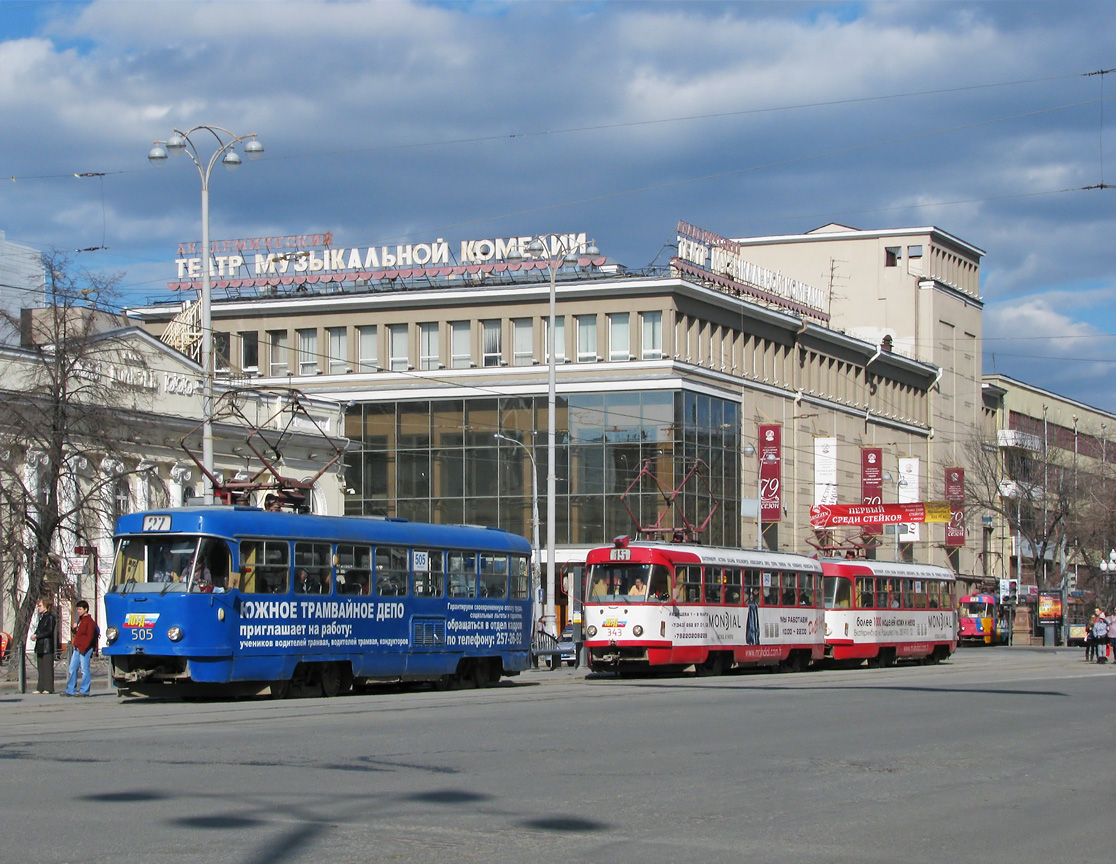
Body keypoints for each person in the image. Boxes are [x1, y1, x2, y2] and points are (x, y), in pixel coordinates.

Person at [64, 600, 97, 697]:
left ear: (85, 609)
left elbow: (90, 637)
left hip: (85, 648)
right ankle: (70, 690)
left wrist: (83, 647)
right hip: (77, 647)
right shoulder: (80, 620)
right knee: (72, 668)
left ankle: (84, 691)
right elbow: (78, 634)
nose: (78, 611)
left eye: (80, 609)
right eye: (77, 609)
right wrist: (74, 629)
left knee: (84, 670)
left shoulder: (89, 621)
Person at [31, 597, 56, 694]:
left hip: (47, 646)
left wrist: (37, 636)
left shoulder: (50, 617)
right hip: (40, 646)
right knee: (41, 668)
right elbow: (39, 630)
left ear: (46, 606)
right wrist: (35, 635)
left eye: (40, 606)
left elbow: (49, 631)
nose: (38, 608)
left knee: (47, 668)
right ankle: (40, 687)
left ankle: (48, 688)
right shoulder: (42, 618)